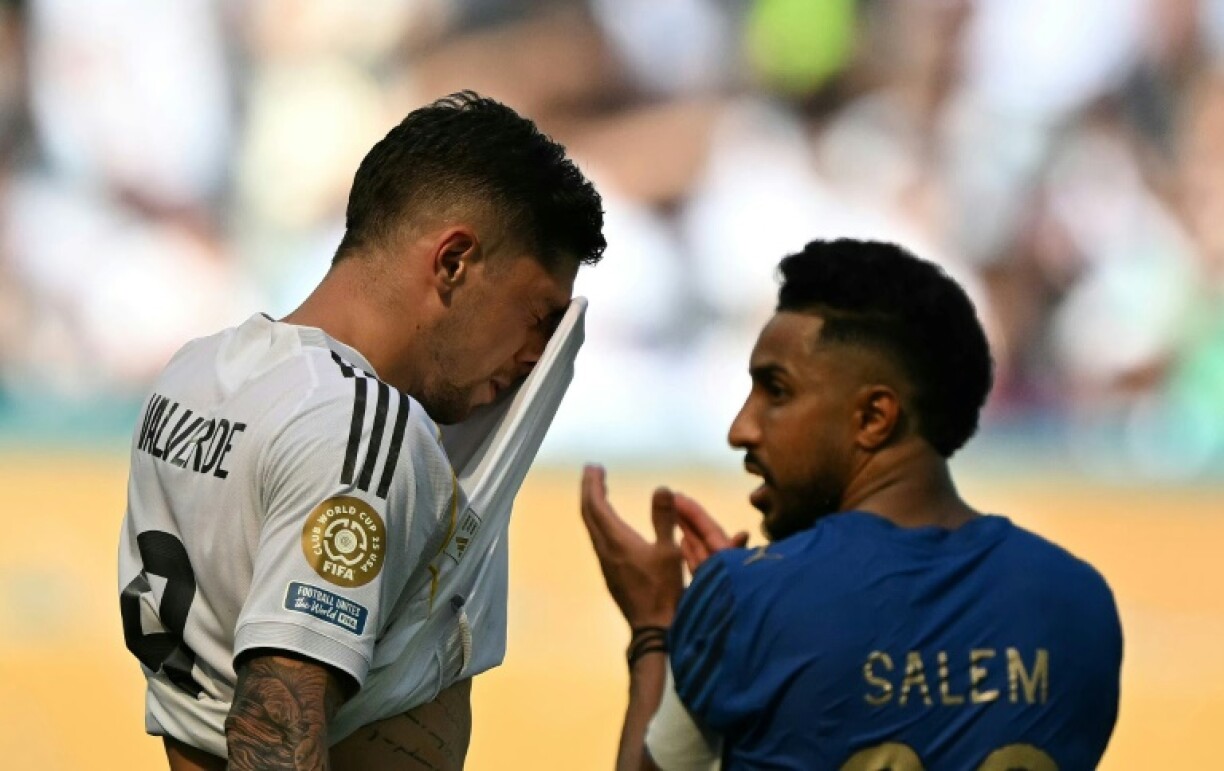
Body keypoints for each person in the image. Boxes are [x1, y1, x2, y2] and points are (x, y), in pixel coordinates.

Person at [118, 91, 605, 770]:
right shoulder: (360, 424)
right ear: (454, 261)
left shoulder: (193, 374)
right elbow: (273, 732)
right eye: (538, 315)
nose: (536, 357)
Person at [581, 239, 1122, 770]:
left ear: (873, 418)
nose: (739, 429)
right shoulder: (1081, 599)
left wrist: (660, 629)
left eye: (776, 391)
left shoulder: (744, 600)